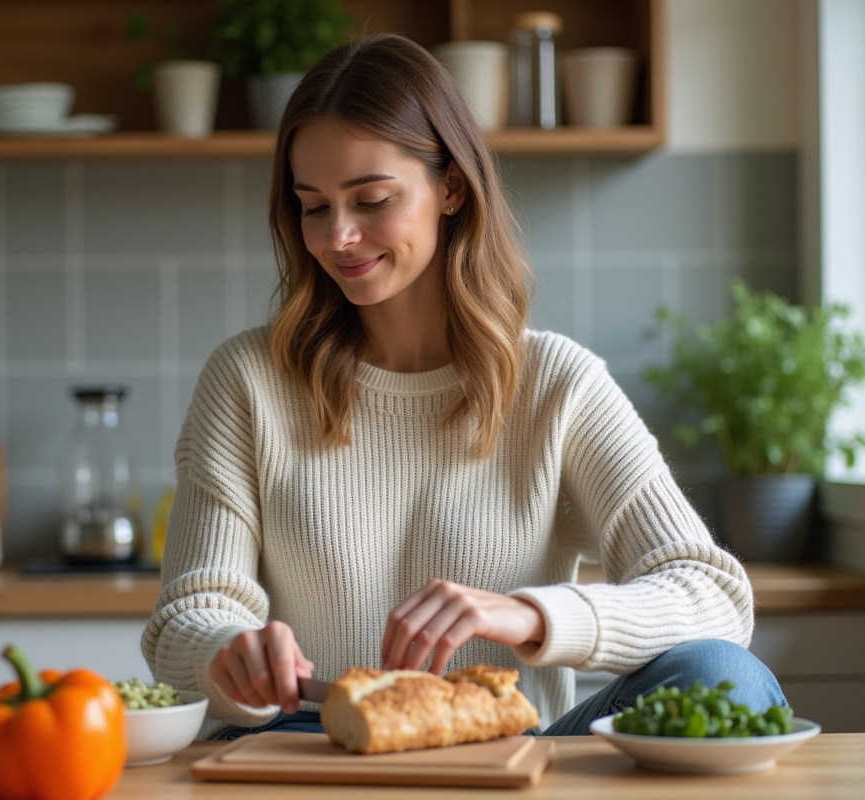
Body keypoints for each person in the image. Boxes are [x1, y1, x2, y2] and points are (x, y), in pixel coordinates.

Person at [142, 33, 785, 739]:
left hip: (508, 756)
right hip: (315, 746)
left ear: (450, 187)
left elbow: (715, 596)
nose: (339, 237)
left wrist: (533, 615)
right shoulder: (247, 380)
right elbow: (185, 619)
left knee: (728, 677)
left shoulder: (557, 383)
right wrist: (229, 652)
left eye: (372, 199)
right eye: (314, 206)